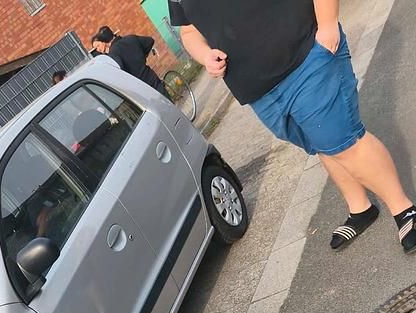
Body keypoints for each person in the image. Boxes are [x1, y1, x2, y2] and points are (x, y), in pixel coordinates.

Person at [168, 0, 416, 253]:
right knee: (322, 143)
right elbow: (189, 31)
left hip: (306, 55)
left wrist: (328, 24)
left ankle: (405, 211)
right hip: (258, 90)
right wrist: (204, 55)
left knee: (344, 142)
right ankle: (360, 208)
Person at [91, 26, 169, 98]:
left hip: (140, 88)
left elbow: (119, 72)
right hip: (151, 77)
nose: (98, 49)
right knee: (170, 105)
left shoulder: (113, 54)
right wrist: (143, 56)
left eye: (97, 46)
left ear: (104, 41)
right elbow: (149, 41)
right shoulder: (130, 38)